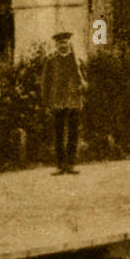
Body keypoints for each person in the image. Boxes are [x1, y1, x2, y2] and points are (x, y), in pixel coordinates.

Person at [41, 30, 87, 175]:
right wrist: (46, 102)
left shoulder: (77, 61)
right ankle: (60, 165)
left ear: (69, 43)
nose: (63, 45)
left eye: (65, 42)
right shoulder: (51, 61)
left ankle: (71, 164)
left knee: (73, 133)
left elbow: (84, 82)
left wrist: (83, 87)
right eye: (60, 43)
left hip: (73, 100)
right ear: (56, 45)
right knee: (59, 134)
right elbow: (45, 83)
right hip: (57, 101)